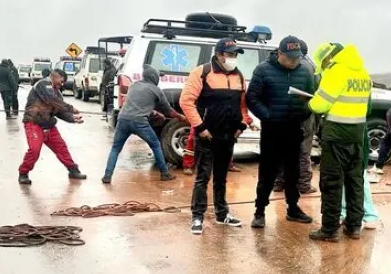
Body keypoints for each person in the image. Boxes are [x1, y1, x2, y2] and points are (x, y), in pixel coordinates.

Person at [180, 38, 250, 234]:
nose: (233, 58)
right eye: (230, 54)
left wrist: (242, 124)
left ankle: (222, 213)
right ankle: (197, 216)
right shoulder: (202, 73)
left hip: (228, 136)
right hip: (207, 135)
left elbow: (242, 105)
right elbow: (186, 101)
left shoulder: (239, 76)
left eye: (235, 54)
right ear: (219, 55)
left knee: (221, 178)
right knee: (202, 178)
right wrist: (201, 127)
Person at [246, 35, 315, 229]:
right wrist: (267, 115)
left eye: (297, 58)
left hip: (294, 128)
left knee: (293, 172)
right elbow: (252, 98)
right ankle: (259, 211)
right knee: (268, 173)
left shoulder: (304, 71)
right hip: (272, 130)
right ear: (279, 54)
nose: (294, 62)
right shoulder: (263, 70)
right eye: (290, 58)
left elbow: (311, 98)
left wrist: (304, 112)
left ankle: (293, 208)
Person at [308, 42, 372, 241]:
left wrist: (310, 102)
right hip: (357, 135)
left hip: (336, 135)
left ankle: (329, 230)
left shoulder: (336, 72)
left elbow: (319, 105)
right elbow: (368, 107)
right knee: (355, 181)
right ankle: (354, 226)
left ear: (329, 57)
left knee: (331, 182)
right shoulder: (363, 72)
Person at [103, 64, 179, 183]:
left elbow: (137, 104)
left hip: (123, 119)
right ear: (154, 77)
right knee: (156, 145)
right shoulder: (156, 90)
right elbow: (169, 111)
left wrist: (154, 112)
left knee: (116, 148)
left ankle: (107, 176)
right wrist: (181, 117)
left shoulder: (134, 85)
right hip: (139, 122)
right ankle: (164, 173)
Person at [18, 69, 86, 184]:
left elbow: (59, 111)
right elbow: (51, 99)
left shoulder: (58, 93)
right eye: (61, 81)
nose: (62, 84)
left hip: (49, 124)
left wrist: (72, 118)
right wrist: (71, 108)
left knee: (61, 148)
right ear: (54, 76)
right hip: (34, 123)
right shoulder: (42, 84)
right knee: (34, 150)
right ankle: (23, 173)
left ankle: (73, 170)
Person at [273, 38, 318, 195]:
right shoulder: (310, 67)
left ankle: (279, 182)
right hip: (303, 114)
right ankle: (304, 184)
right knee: (303, 150)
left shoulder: (278, 65)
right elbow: (316, 91)